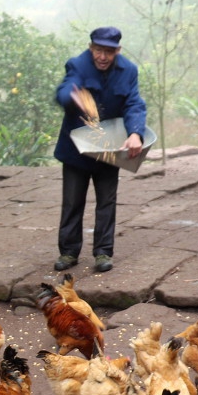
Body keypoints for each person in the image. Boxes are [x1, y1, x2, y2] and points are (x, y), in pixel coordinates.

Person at [52, 26, 147, 273]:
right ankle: (69, 252)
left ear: (118, 51)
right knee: (73, 201)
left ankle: (103, 252)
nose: (102, 57)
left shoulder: (129, 71)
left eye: (108, 51)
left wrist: (135, 132)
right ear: (90, 48)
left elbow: (134, 103)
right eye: (97, 50)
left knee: (107, 200)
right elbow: (64, 89)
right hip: (77, 149)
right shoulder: (77, 65)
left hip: (108, 148)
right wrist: (74, 96)